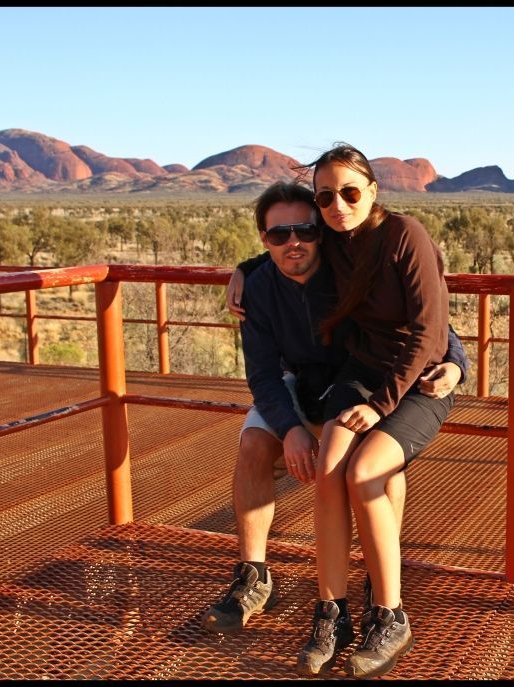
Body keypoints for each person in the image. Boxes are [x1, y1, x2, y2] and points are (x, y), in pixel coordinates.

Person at [200, 182, 468, 652]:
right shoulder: (258, 288)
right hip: (300, 385)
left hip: (358, 384)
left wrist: (458, 361)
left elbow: (422, 319)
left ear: (322, 231)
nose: (293, 243)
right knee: (253, 445)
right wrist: (289, 431)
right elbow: (262, 376)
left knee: (377, 464)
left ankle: (378, 582)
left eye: (304, 229)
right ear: (263, 238)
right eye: (278, 235)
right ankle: (254, 576)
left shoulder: (349, 270)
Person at [294, 144, 456, 679]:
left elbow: (431, 330)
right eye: (325, 197)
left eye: (349, 192)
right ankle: (333, 612)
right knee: (328, 472)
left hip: (416, 385)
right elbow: (283, 254)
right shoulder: (332, 241)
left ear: (373, 191)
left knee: (365, 474)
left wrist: (381, 404)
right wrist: (244, 272)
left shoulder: (404, 235)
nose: (337, 205)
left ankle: (390, 615)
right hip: (360, 376)